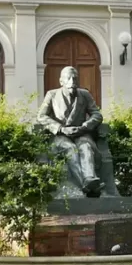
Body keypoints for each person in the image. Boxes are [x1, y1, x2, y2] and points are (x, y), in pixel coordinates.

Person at [37, 66, 104, 197]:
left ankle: (90, 178)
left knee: (86, 147)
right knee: (70, 149)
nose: (72, 81)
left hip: (81, 133)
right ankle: (86, 184)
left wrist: (85, 126)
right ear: (61, 81)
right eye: (68, 78)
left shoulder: (84, 94)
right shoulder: (52, 94)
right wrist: (60, 128)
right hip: (61, 135)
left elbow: (97, 114)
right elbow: (41, 116)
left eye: (75, 78)